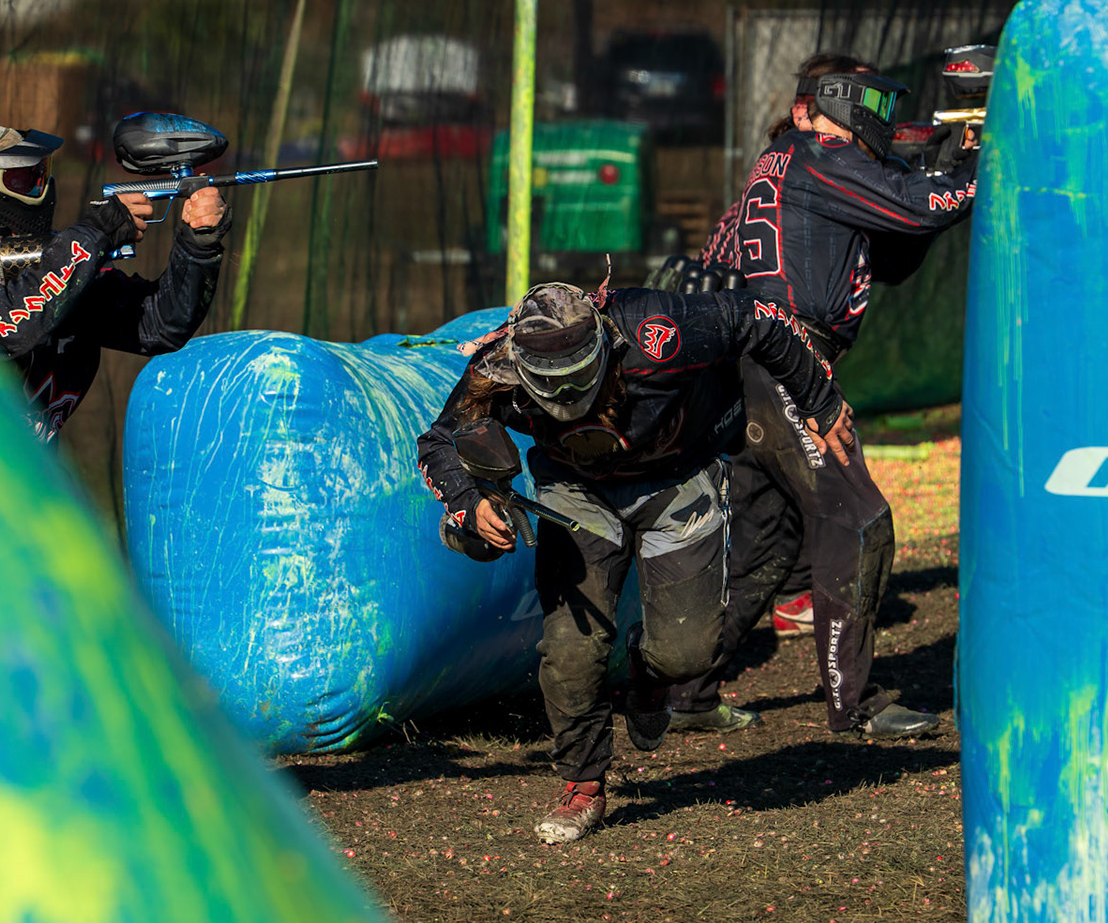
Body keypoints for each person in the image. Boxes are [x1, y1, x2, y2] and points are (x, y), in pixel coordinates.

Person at [417, 280, 847, 844]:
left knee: (689, 653)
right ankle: (583, 784)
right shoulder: (497, 368)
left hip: (678, 478)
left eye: (578, 378)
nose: (567, 394)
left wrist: (821, 402)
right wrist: (469, 503)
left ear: (603, 348)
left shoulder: (660, 331)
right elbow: (439, 439)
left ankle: (648, 672)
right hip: (576, 491)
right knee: (571, 651)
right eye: (552, 384)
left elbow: (761, 317)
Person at [662, 53, 978, 740]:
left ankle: (685, 695)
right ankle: (855, 704)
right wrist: (974, 161)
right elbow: (922, 208)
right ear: (838, 106)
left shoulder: (789, 162)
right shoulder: (820, 157)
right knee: (858, 519)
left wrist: (935, 167)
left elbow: (896, 249)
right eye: (876, 108)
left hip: (754, 364)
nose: (883, 124)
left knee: (766, 547)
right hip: (788, 363)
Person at [0, 121, 230, 440]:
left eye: (39, 176)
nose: (39, 191)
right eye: (21, 181)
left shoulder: (56, 266)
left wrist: (198, 244)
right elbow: (6, 325)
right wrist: (91, 237)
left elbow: (160, 325)